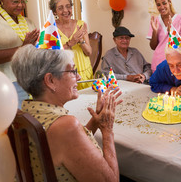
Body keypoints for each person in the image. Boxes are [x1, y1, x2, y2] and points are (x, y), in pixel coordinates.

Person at [11, 44, 122, 182]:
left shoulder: (27, 110)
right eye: (73, 71)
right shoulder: (66, 126)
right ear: (51, 81)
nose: (79, 77)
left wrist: (96, 121)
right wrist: (107, 131)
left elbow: (69, 147)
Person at [49, 0, 93, 90]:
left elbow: (89, 52)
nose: (65, 11)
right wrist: (71, 43)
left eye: (68, 6)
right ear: (54, 12)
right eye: (60, 8)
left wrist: (80, 41)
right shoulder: (51, 29)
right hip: (65, 75)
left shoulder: (81, 24)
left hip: (85, 73)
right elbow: (52, 56)